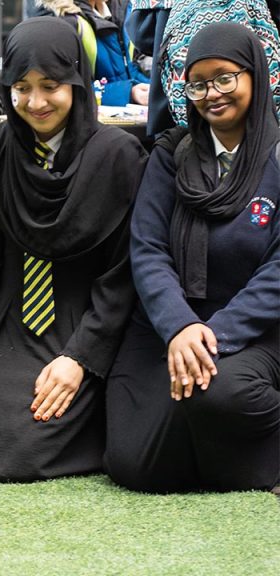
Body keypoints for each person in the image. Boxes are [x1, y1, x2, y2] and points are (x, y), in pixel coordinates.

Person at [0, 17, 147, 481]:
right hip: (12, 323)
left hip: (85, 322)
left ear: (76, 83)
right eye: (21, 88)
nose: (35, 102)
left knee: (31, 445)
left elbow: (122, 276)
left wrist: (81, 358)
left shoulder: (118, 156)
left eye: (50, 86)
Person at [105, 22, 280, 493]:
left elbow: (277, 272)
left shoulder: (277, 158)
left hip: (256, 332)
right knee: (134, 464)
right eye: (198, 84)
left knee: (219, 394)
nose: (211, 94)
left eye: (225, 78)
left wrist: (211, 337)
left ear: (255, 75)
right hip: (169, 325)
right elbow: (148, 249)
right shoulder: (171, 154)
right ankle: (230, 460)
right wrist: (180, 326)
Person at [35, 0, 150, 106]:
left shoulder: (119, 10)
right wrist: (128, 93)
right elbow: (63, 90)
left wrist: (152, 88)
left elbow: (129, 67)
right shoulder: (61, 22)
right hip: (91, 118)